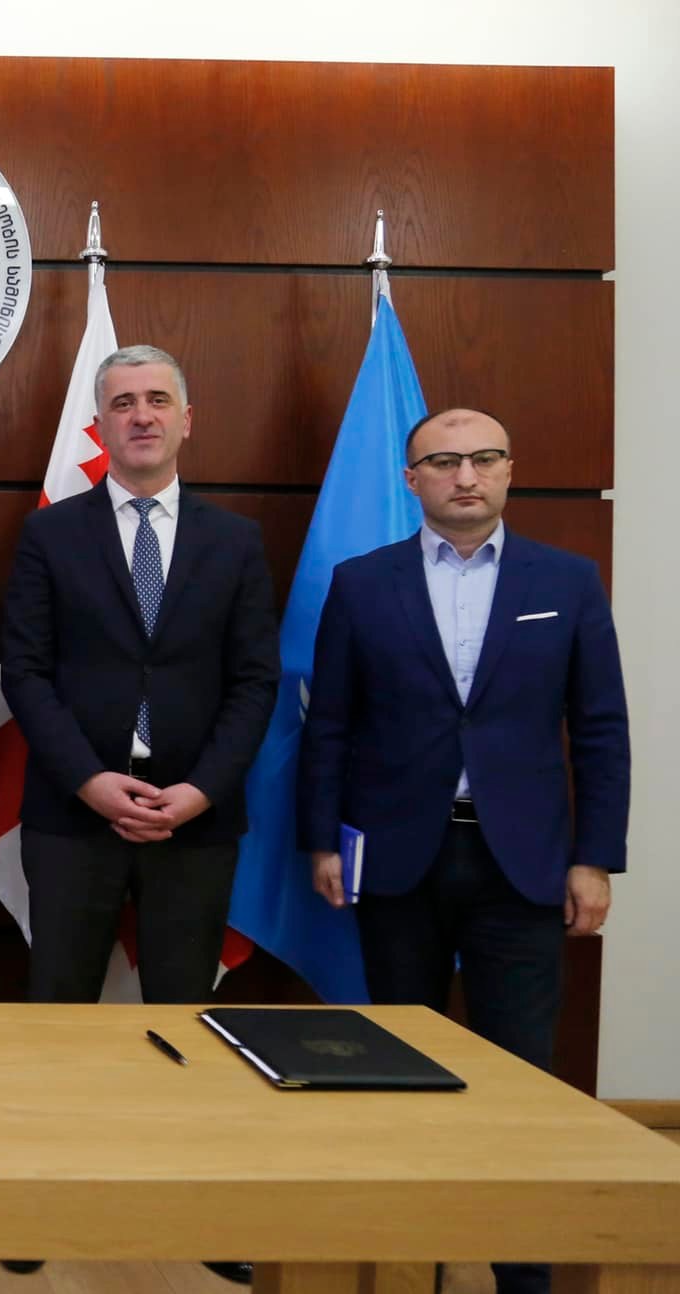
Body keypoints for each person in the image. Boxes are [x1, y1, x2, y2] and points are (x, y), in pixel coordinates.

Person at [299, 408, 628, 1294]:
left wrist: (595, 856)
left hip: (522, 865)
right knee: (400, 1067)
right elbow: (329, 726)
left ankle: (522, 1274)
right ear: (412, 480)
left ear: (510, 470)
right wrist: (322, 841)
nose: (466, 476)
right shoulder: (362, 583)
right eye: (444, 462)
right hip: (397, 859)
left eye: (484, 459)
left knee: (520, 1076)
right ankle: (412, 1258)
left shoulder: (568, 579)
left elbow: (600, 728)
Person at [0, 344, 276, 1284]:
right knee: (58, 1013)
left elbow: (255, 682)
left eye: (159, 400)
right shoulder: (51, 535)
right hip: (74, 815)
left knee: (188, 1015)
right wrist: (88, 780)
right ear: (101, 424)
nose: (143, 415)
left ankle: (199, 1203)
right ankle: (43, 1200)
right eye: (123, 403)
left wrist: (200, 791)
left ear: (186, 420)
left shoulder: (236, 540)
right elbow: (26, 672)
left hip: (196, 818)